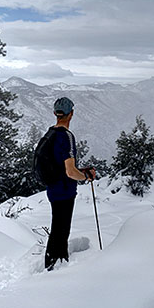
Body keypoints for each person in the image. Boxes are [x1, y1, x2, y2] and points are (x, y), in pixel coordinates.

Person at [44, 96, 94, 271]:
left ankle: (51, 264)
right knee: (61, 231)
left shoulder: (50, 133)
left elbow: (59, 165)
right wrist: (87, 177)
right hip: (65, 191)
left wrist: (82, 171)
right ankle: (57, 269)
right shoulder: (66, 137)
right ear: (71, 114)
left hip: (52, 188)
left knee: (57, 228)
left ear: (55, 113)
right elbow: (70, 172)